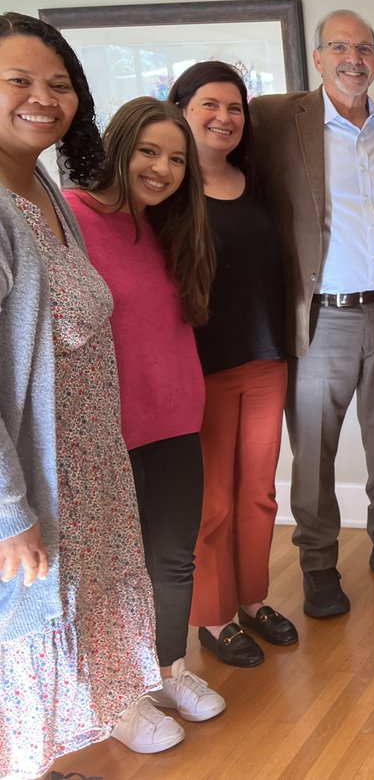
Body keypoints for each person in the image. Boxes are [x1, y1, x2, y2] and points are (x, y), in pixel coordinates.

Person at [0, 13, 159, 777]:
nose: (42, 98)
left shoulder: (45, 190)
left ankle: (40, 761)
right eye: (19, 82)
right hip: (27, 486)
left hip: (85, 467)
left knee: (61, 630)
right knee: (22, 636)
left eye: (58, 85)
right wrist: (8, 511)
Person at [252, 10, 374, 615]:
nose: (354, 58)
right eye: (340, 47)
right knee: (315, 450)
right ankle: (319, 562)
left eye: (366, 48)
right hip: (319, 317)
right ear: (319, 58)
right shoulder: (274, 121)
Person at [65, 96, 225, 750]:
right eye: (149, 152)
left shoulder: (171, 227)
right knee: (111, 569)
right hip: (104, 430)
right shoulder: (71, 218)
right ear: (119, 148)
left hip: (175, 418)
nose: (161, 169)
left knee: (171, 559)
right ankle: (120, 701)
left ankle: (166, 669)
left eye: (176, 159)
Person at [168, 61, 297, 668]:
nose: (225, 118)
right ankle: (214, 618)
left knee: (261, 495)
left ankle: (251, 600)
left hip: (267, 359)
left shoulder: (255, 184)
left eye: (235, 108)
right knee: (213, 500)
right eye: (210, 106)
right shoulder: (167, 193)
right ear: (182, 110)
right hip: (204, 368)